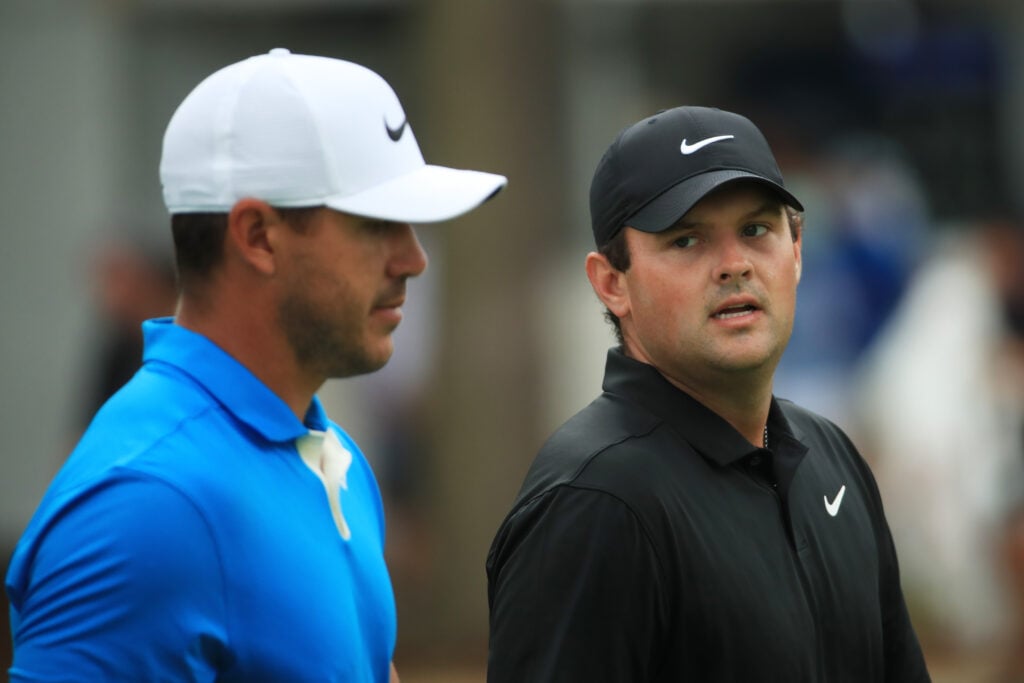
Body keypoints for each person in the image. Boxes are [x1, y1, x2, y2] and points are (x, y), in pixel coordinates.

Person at [6, 48, 505, 682]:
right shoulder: (144, 502)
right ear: (258, 236)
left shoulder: (333, 458)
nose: (413, 260)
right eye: (377, 224)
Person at [486, 105, 930, 682]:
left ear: (796, 250)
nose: (735, 265)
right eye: (687, 240)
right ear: (612, 283)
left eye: (755, 230)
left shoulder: (832, 459)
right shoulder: (596, 502)